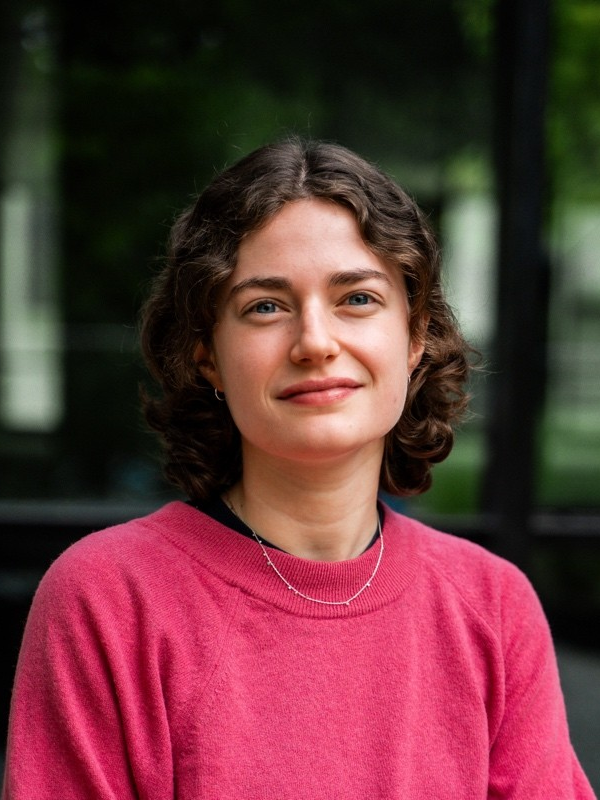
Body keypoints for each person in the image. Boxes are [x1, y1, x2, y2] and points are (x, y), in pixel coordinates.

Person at [2, 139, 595, 799]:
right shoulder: (109, 601)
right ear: (206, 355)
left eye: (357, 299)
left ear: (415, 336)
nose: (315, 341)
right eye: (266, 306)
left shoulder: (493, 606)